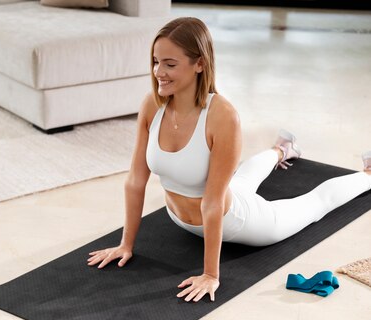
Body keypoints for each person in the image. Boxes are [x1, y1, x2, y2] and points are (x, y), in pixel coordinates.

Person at [86, 17, 371, 304]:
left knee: (313, 204)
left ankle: (367, 174)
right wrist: (126, 245)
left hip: (238, 222)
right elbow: (136, 180)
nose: (159, 72)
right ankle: (282, 150)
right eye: (155, 62)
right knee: (241, 181)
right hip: (181, 218)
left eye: (170, 64)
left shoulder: (222, 115)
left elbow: (212, 201)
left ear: (199, 63)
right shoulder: (152, 105)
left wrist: (211, 274)